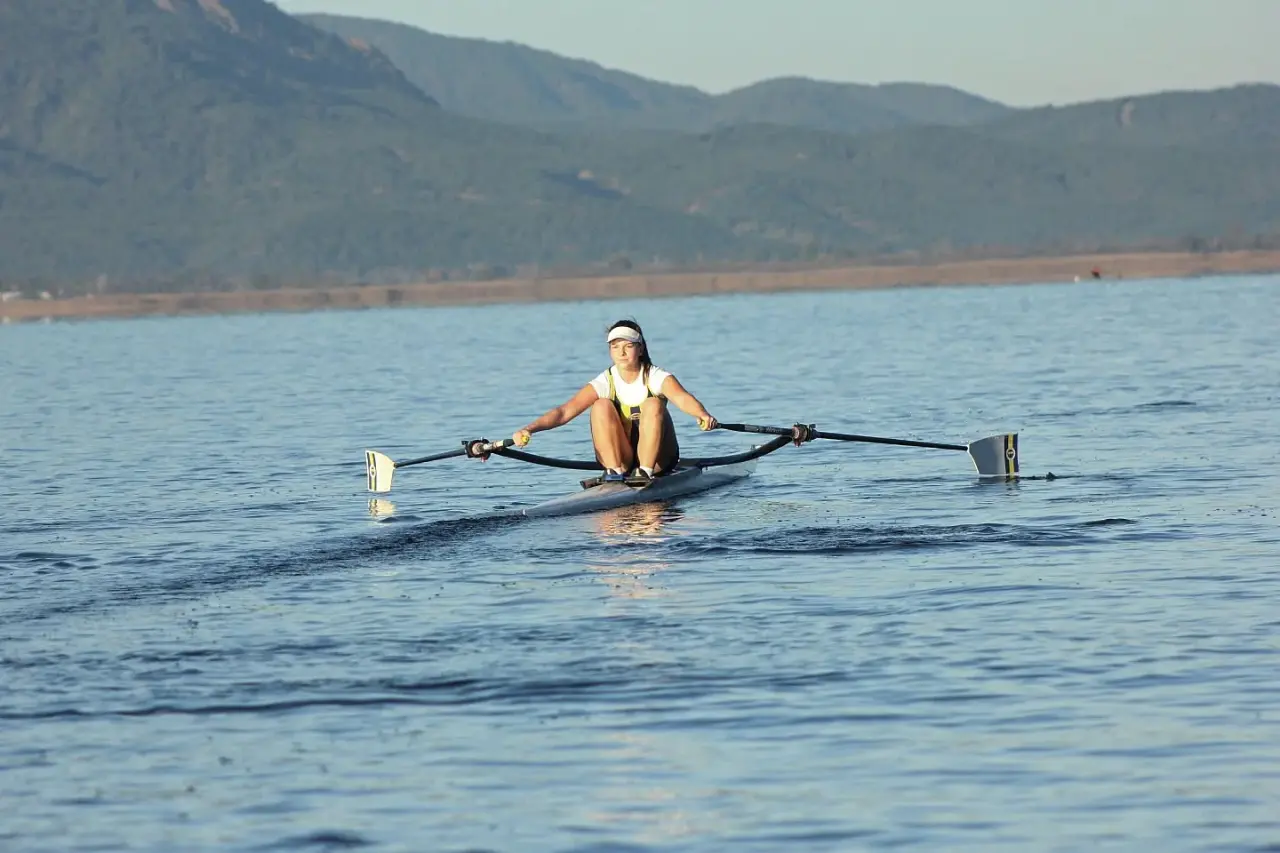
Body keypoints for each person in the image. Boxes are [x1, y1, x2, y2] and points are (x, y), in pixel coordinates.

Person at [512, 320, 718, 482]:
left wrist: (702, 414)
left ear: (640, 349)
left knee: (652, 404)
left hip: (658, 461)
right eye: (615, 346)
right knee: (600, 405)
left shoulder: (656, 377)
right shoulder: (605, 382)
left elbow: (682, 399)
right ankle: (614, 471)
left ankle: (644, 472)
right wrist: (529, 429)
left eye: (628, 346)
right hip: (623, 458)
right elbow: (564, 412)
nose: (621, 352)